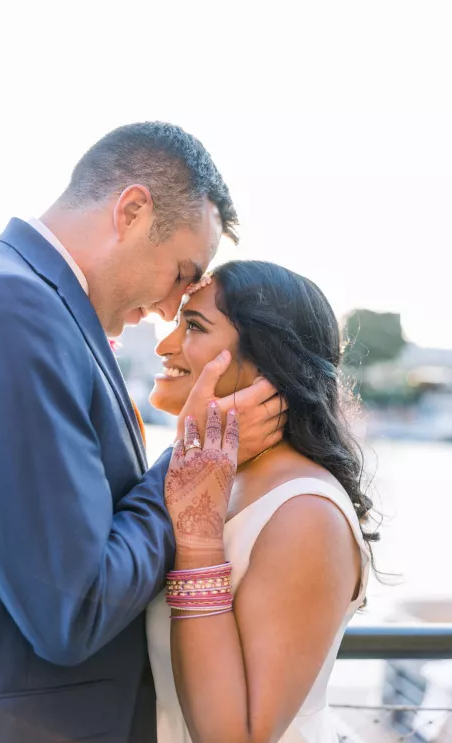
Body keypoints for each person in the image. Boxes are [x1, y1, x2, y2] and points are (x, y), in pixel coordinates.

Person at [0, 123, 286, 743]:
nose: (168, 309)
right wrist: (192, 465)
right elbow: (72, 610)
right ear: (132, 211)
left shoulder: (25, 299)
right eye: (181, 274)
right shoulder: (12, 307)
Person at [147, 260, 377, 743]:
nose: (163, 346)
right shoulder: (215, 480)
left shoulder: (305, 512)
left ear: (264, 363)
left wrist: (198, 540)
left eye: (193, 326)